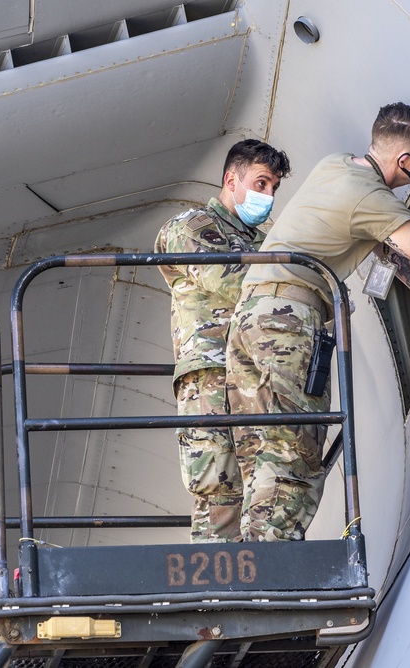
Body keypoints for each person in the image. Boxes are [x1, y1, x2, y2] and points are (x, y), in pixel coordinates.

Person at [226, 102, 410, 542]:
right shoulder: (371, 199)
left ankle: (252, 567)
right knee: (294, 461)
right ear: (406, 162)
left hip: (249, 317)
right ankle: (274, 574)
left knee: (261, 457)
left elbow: (385, 249)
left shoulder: (337, 166)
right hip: (288, 320)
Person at [155, 139, 291, 542]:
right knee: (218, 486)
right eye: (261, 183)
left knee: (266, 482)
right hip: (212, 375)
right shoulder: (191, 227)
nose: (267, 196)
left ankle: (257, 581)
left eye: (273, 189)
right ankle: (216, 592)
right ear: (231, 180)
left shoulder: (264, 243)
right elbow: (233, 284)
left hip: (259, 375)